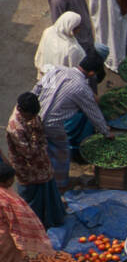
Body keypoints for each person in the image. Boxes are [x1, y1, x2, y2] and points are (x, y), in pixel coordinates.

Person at [32, 57, 112, 190]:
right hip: (53, 125)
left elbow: (37, 89)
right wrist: (106, 132)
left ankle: (43, 173)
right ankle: (61, 184)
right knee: (61, 151)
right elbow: (94, 114)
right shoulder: (82, 88)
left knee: (41, 146)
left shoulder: (57, 70)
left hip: (36, 116)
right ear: (92, 73)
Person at [0, 161, 54, 262]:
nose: (13, 182)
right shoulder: (6, 197)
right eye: (11, 179)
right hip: (3, 239)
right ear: (5, 181)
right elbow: (17, 220)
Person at [6, 94, 65, 230]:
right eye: (30, 115)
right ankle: (32, 226)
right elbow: (28, 153)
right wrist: (36, 139)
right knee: (31, 195)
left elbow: (40, 132)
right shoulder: (15, 128)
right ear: (21, 110)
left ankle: (51, 217)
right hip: (27, 166)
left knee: (47, 188)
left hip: (40, 161)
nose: (33, 118)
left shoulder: (29, 114)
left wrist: (40, 141)